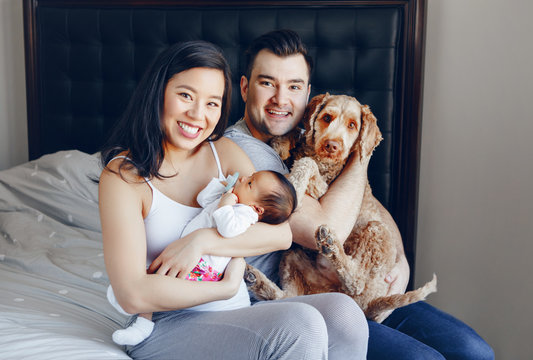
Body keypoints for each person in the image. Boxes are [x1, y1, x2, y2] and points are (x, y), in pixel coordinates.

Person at [224, 29, 495, 360]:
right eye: (267, 83)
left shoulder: (308, 135)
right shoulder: (242, 152)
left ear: (308, 95)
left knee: (474, 352)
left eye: (293, 86)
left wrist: (401, 260)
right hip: (298, 297)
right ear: (244, 87)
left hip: (352, 287)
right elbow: (326, 233)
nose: (281, 99)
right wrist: (361, 151)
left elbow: (368, 205)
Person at [99, 40, 369, 359]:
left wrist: (201, 242)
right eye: (186, 95)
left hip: (233, 307)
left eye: (213, 103)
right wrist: (223, 288)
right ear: (158, 92)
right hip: (163, 321)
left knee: (343, 313)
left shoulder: (223, 152)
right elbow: (131, 294)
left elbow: (280, 233)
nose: (198, 115)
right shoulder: (124, 177)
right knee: (300, 324)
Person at [107, 170, 298, 346]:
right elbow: (203, 198)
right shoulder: (233, 201)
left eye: (249, 183)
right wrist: (221, 187)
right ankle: (141, 319)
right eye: (249, 177)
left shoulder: (245, 214)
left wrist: (226, 203)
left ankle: (140, 320)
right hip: (195, 261)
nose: (243, 178)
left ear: (257, 209)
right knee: (153, 279)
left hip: (204, 267)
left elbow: (227, 229)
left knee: (157, 280)